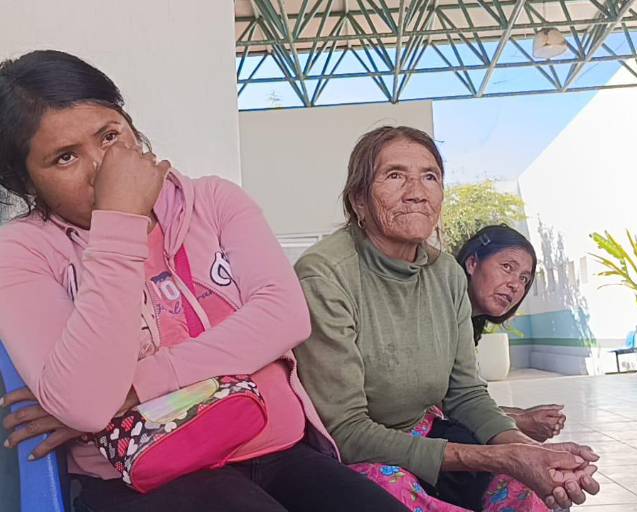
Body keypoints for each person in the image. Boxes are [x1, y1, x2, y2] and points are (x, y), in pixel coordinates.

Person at [0, 50, 409, 512]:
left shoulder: (213, 202)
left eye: (110, 135)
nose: (102, 169)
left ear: (132, 126)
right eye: (65, 157)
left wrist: (135, 388)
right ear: (25, 183)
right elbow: (88, 403)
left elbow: (284, 315)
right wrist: (120, 222)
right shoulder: (22, 251)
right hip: (143, 477)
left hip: (276, 448)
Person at [292, 126, 601, 512]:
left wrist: (531, 453)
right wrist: (500, 457)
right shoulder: (325, 274)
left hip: (425, 432)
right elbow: (346, 431)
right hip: (354, 455)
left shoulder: (447, 275)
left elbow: (465, 394)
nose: (417, 192)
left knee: (529, 491)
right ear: (359, 200)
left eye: (430, 177)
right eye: (395, 175)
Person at [456, 225, 566, 442]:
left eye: (524, 278)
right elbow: (436, 407)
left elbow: (462, 399)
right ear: (472, 263)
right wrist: (518, 421)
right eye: (507, 267)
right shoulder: (439, 314)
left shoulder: (468, 325)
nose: (515, 285)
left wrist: (520, 415)